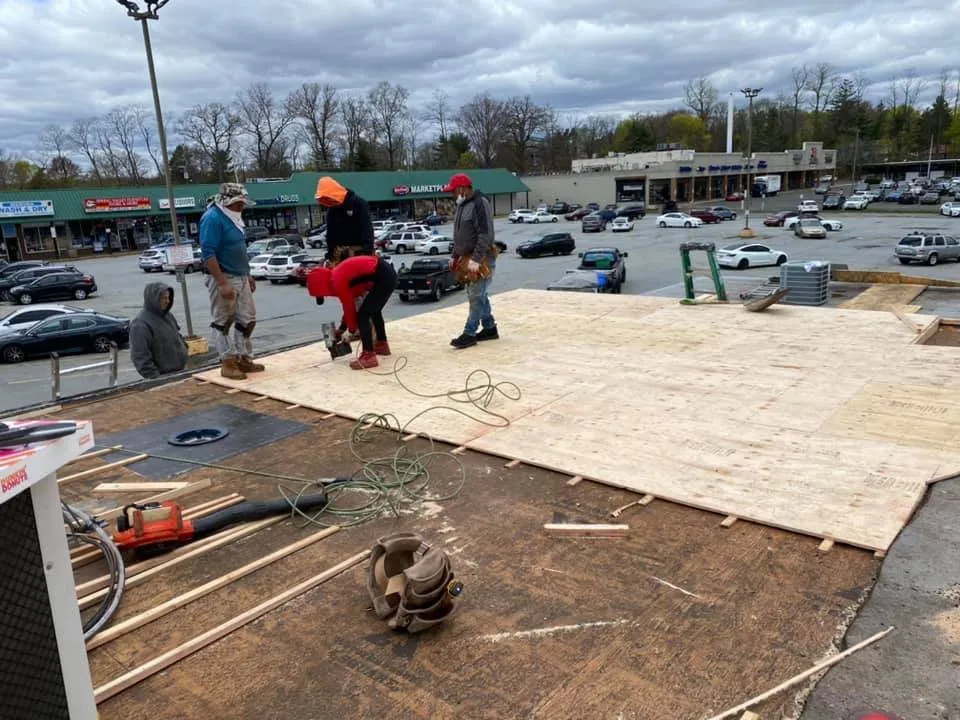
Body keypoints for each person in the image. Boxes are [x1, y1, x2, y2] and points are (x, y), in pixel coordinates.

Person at [199, 182, 264, 380]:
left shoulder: (234, 217)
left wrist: (247, 274)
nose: (241, 207)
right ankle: (227, 362)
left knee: (247, 318)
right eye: (237, 204)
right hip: (224, 275)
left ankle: (243, 357)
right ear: (226, 202)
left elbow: (238, 249)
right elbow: (208, 253)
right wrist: (221, 282)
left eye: (242, 204)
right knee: (223, 321)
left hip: (240, 275)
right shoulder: (213, 218)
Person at [306, 254, 397, 370]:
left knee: (363, 315)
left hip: (383, 276)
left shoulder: (337, 280)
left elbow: (348, 306)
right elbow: (350, 305)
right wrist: (343, 327)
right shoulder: (338, 276)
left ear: (321, 285)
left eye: (321, 294)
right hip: (386, 274)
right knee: (374, 311)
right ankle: (382, 344)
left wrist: (351, 330)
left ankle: (369, 355)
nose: (325, 296)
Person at [445, 173, 499, 349]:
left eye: (453, 190)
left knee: (475, 295)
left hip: (481, 257)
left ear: (462, 188)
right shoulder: (462, 205)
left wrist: (476, 260)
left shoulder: (479, 204)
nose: (452, 194)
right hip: (467, 256)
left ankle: (469, 333)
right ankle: (490, 328)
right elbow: (461, 236)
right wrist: (455, 256)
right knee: (479, 293)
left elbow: (486, 234)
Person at [129, 282, 188, 379]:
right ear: (153, 299)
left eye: (168, 297)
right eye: (164, 298)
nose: (167, 301)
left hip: (180, 372)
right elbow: (140, 358)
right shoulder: (140, 324)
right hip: (162, 378)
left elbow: (178, 336)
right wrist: (156, 378)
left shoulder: (168, 316)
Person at [315, 176, 375, 266]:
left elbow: (366, 228)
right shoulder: (332, 209)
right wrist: (330, 254)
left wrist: (367, 251)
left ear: (334, 193)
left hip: (359, 253)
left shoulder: (359, 204)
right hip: (340, 255)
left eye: (328, 198)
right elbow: (330, 234)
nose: (329, 202)